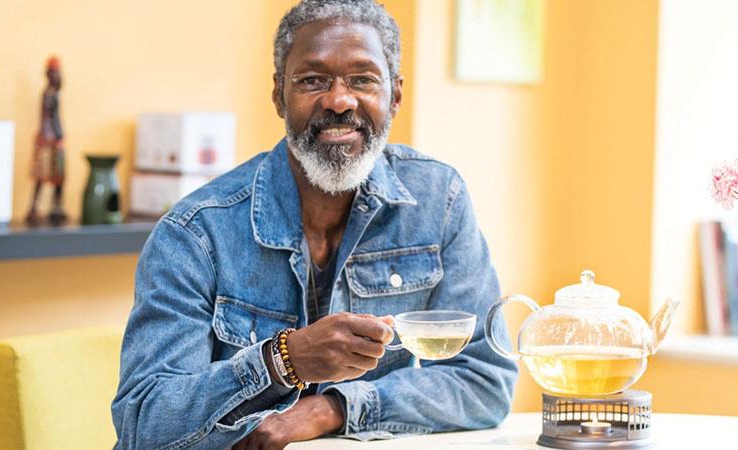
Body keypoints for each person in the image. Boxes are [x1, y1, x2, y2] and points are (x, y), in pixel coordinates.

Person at [111, 1, 517, 449]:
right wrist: (284, 362)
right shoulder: (196, 232)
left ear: (395, 95)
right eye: (312, 80)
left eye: (362, 79)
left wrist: (333, 409)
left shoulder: (438, 200)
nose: (339, 100)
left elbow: (485, 379)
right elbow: (144, 423)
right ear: (279, 95)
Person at [26, 55, 67, 226]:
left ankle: (55, 207)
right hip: (49, 139)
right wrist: (57, 136)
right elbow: (51, 119)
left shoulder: (52, 93)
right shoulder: (49, 94)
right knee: (44, 176)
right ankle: (36, 208)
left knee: (58, 176)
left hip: (51, 138)